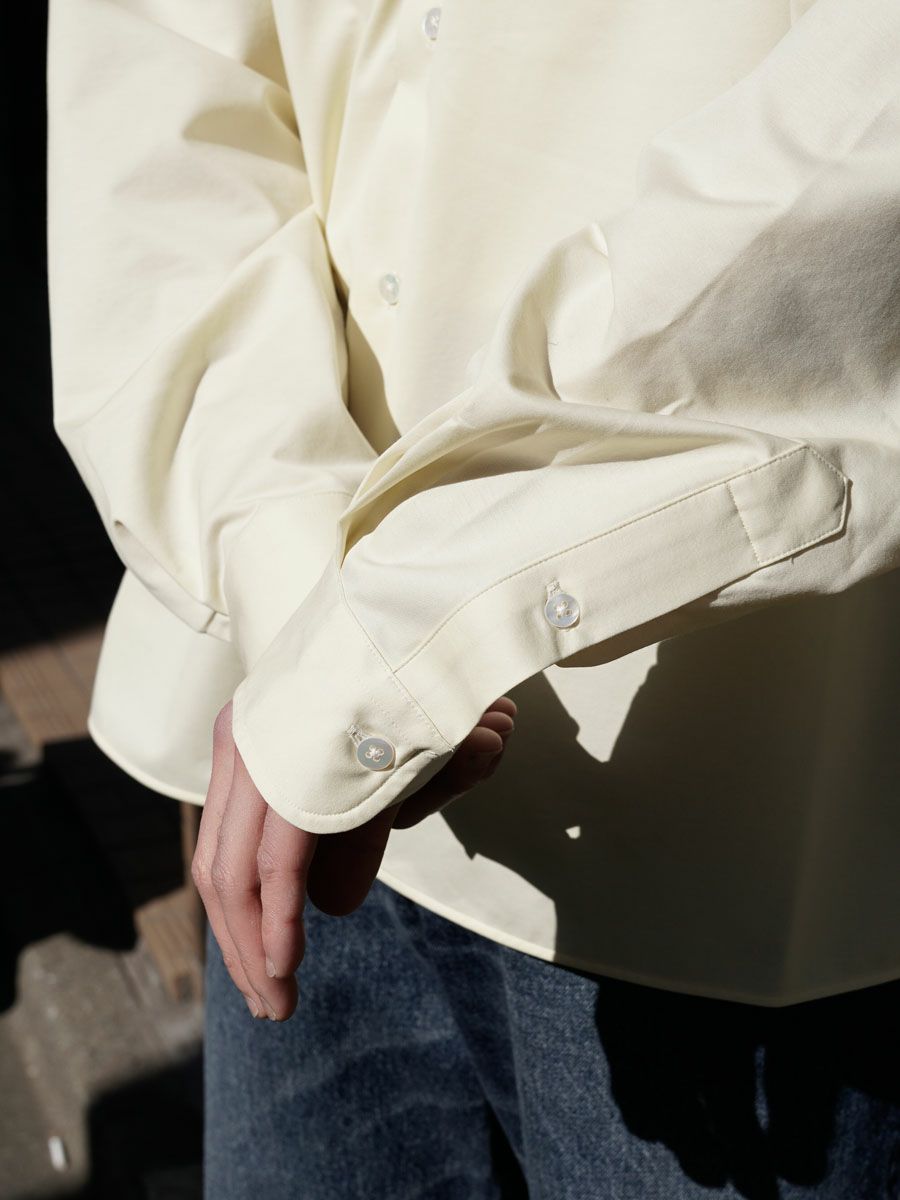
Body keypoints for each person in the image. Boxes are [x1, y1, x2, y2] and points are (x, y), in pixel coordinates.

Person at [45, 0, 900, 1195]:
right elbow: (161, 70)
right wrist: (286, 557)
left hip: (722, 847)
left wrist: (403, 625)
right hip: (285, 734)